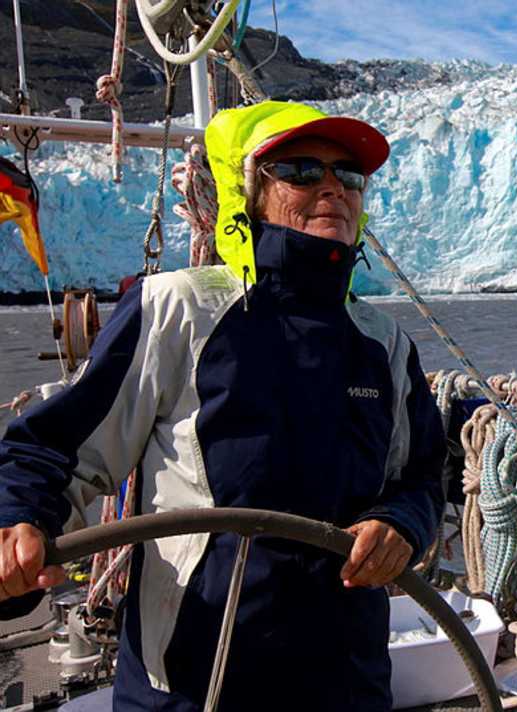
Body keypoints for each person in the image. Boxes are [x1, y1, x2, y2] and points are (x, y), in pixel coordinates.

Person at [0, 100, 446, 710]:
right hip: (193, 683)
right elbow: (53, 448)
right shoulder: (177, 311)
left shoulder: (382, 343)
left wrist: (402, 526)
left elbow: (421, 475)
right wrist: (18, 526)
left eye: (349, 177)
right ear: (252, 192)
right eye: (302, 171)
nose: (333, 189)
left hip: (345, 680)